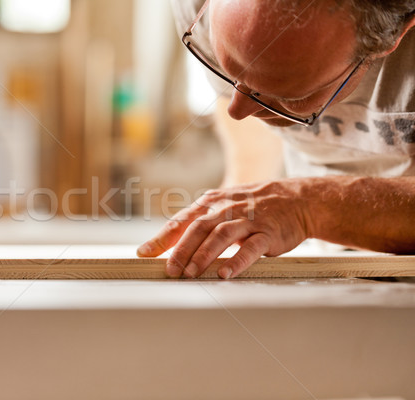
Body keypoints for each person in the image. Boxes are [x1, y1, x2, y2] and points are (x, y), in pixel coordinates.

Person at [137, 0, 415, 279]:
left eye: (287, 97)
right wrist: (240, 203)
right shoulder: (199, 7)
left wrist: (309, 207)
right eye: (228, 66)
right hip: (332, 256)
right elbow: (245, 129)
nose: (238, 111)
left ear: (396, 36)